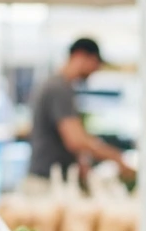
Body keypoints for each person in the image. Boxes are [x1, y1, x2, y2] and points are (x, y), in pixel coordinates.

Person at [27, 38, 135, 189]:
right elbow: (75, 139)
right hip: (47, 182)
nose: (95, 70)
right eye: (95, 63)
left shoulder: (60, 86)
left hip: (53, 179)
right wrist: (115, 157)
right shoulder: (59, 88)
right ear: (80, 55)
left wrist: (82, 160)